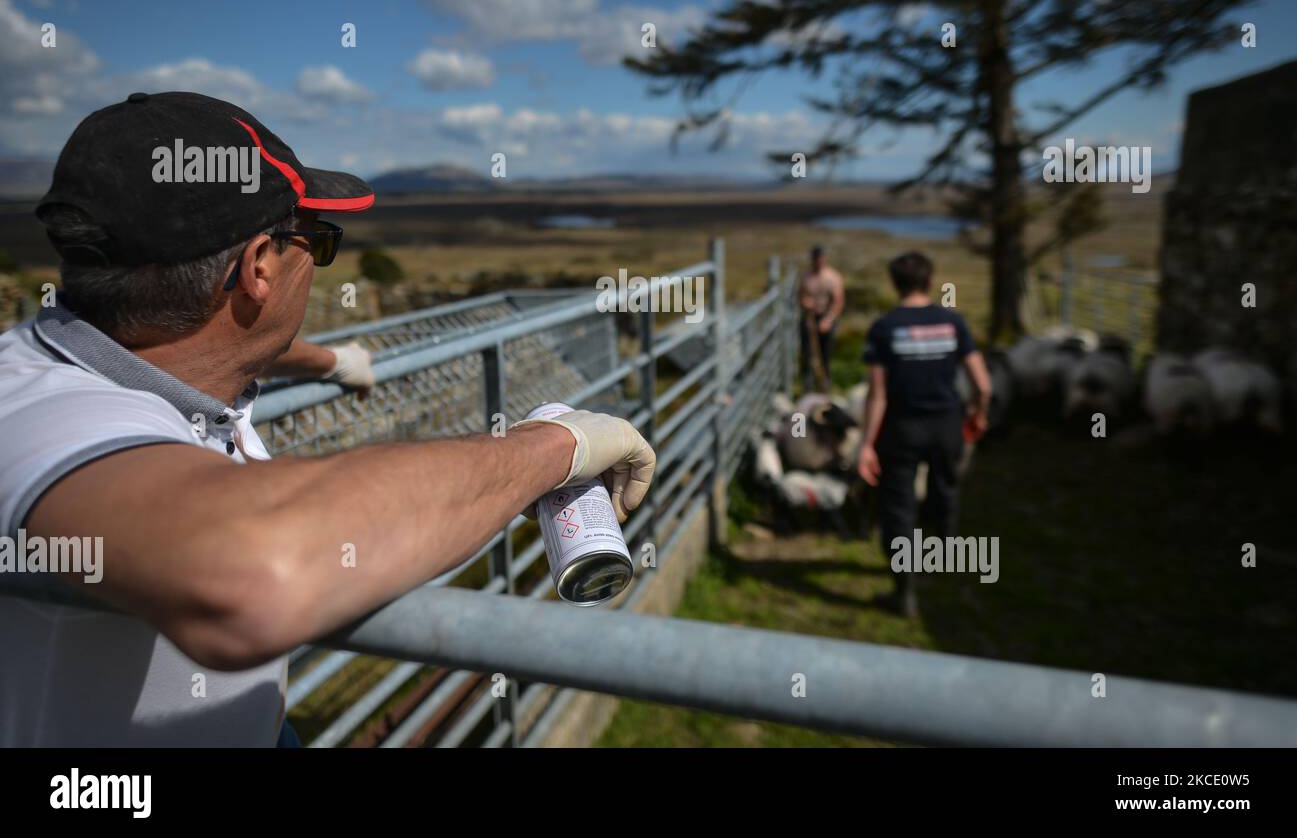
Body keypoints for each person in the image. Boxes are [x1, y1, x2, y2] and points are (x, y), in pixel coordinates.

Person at [0, 91, 655, 746]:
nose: (317, 263)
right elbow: (250, 573)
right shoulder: (48, 417)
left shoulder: (123, 353)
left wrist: (327, 360)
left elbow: (208, 343)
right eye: (316, 240)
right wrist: (551, 449)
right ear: (258, 266)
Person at [856, 251, 991, 618]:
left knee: (897, 506)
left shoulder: (884, 328)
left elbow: (877, 394)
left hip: (902, 428)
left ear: (894, 283)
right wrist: (978, 413)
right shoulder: (954, 323)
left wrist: (866, 444)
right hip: (947, 424)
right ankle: (940, 557)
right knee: (944, 489)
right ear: (930, 282)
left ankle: (904, 591)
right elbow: (982, 382)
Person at [796, 245, 844, 392]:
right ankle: (807, 384)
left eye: (821, 258)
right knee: (807, 352)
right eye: (816, 258)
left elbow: (838, 301)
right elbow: (801, 295)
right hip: (809, 318)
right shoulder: (806, 276)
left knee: (825, 353)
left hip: (826, 317)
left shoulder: (833, 277)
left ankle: (825, 382)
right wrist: (805, 303)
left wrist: (828, 320)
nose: (819, 261)